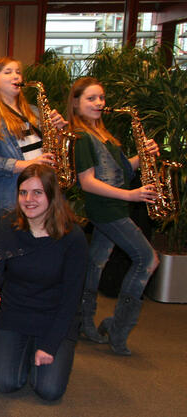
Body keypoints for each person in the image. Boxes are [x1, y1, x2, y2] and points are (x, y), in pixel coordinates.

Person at [0, 164, 88, 400]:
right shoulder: (6, 227)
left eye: (37, 193)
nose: (29, 200)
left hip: (55, 315)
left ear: (52, 195)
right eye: (23, 192)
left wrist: (50, 344)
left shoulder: (73, 237)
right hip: (16, 312)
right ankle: (26, 347)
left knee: (48, 390)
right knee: (6, 383)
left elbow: (72, 299)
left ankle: (41, 346)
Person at [68, 77, 160, 355]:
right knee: (148, 259)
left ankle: (83, 321)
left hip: (114, 207)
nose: (99, 103)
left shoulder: (101, 133)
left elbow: (122, 172)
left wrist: (142, 156)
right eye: (91, 98)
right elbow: (87, 182)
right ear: (76, 103)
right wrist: (131, 196)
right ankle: (118, 329)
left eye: (101, 97)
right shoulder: (81, 136)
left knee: (95, 263)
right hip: (107, 209)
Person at [0, 56, 67, 217]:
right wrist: (29, 164)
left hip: (47, 189)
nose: (16, 76)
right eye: (8, 72)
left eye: (18, 72)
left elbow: (53, 148)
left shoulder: (35, 111)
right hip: (14, 196)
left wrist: (59, 132)